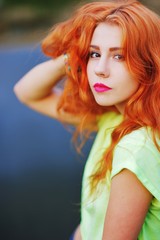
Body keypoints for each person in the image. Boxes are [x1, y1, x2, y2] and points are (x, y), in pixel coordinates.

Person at [14, 0, 160, 239]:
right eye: (94, 53)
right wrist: (73, 56)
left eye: (119, 56)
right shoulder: (114, 119)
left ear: (149, 65)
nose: (100, 69)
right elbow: (26, 92)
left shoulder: (137, 147)